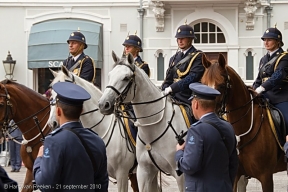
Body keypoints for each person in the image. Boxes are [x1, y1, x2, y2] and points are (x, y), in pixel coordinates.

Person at [33, 82, 108, 192]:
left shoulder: (53, 141)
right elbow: (102, 185)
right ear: (81, 110)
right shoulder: (97, 140)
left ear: (58, 111)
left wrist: (39, 160)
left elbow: (45, 185)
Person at [175, 83, 238, 191]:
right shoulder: (228, 127)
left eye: (192, 103)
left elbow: (190, 166)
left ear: (196, 104)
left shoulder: (196, 130)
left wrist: (179, 153)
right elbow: (233, 164)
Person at [253, 26, 288, 135]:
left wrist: (261, 89)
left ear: (278, 42)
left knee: (287, 121)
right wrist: (252, 90)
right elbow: (259, 78)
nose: (266, 42)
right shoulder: (263, 59)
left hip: (280, 97)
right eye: (264, 40)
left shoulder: (284, 57)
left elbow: (278, 76)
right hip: (263, 97)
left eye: (269, 40)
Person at [161, 23, 205, 105]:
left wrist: (172, 88)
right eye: (178, 38)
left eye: (183, 38)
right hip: (172, 96)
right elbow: (168, 78)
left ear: (190, 39)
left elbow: (193, 77)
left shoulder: (198, 56)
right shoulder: (173, 58)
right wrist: (164, 89)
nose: (180, 41)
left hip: (188, 97)